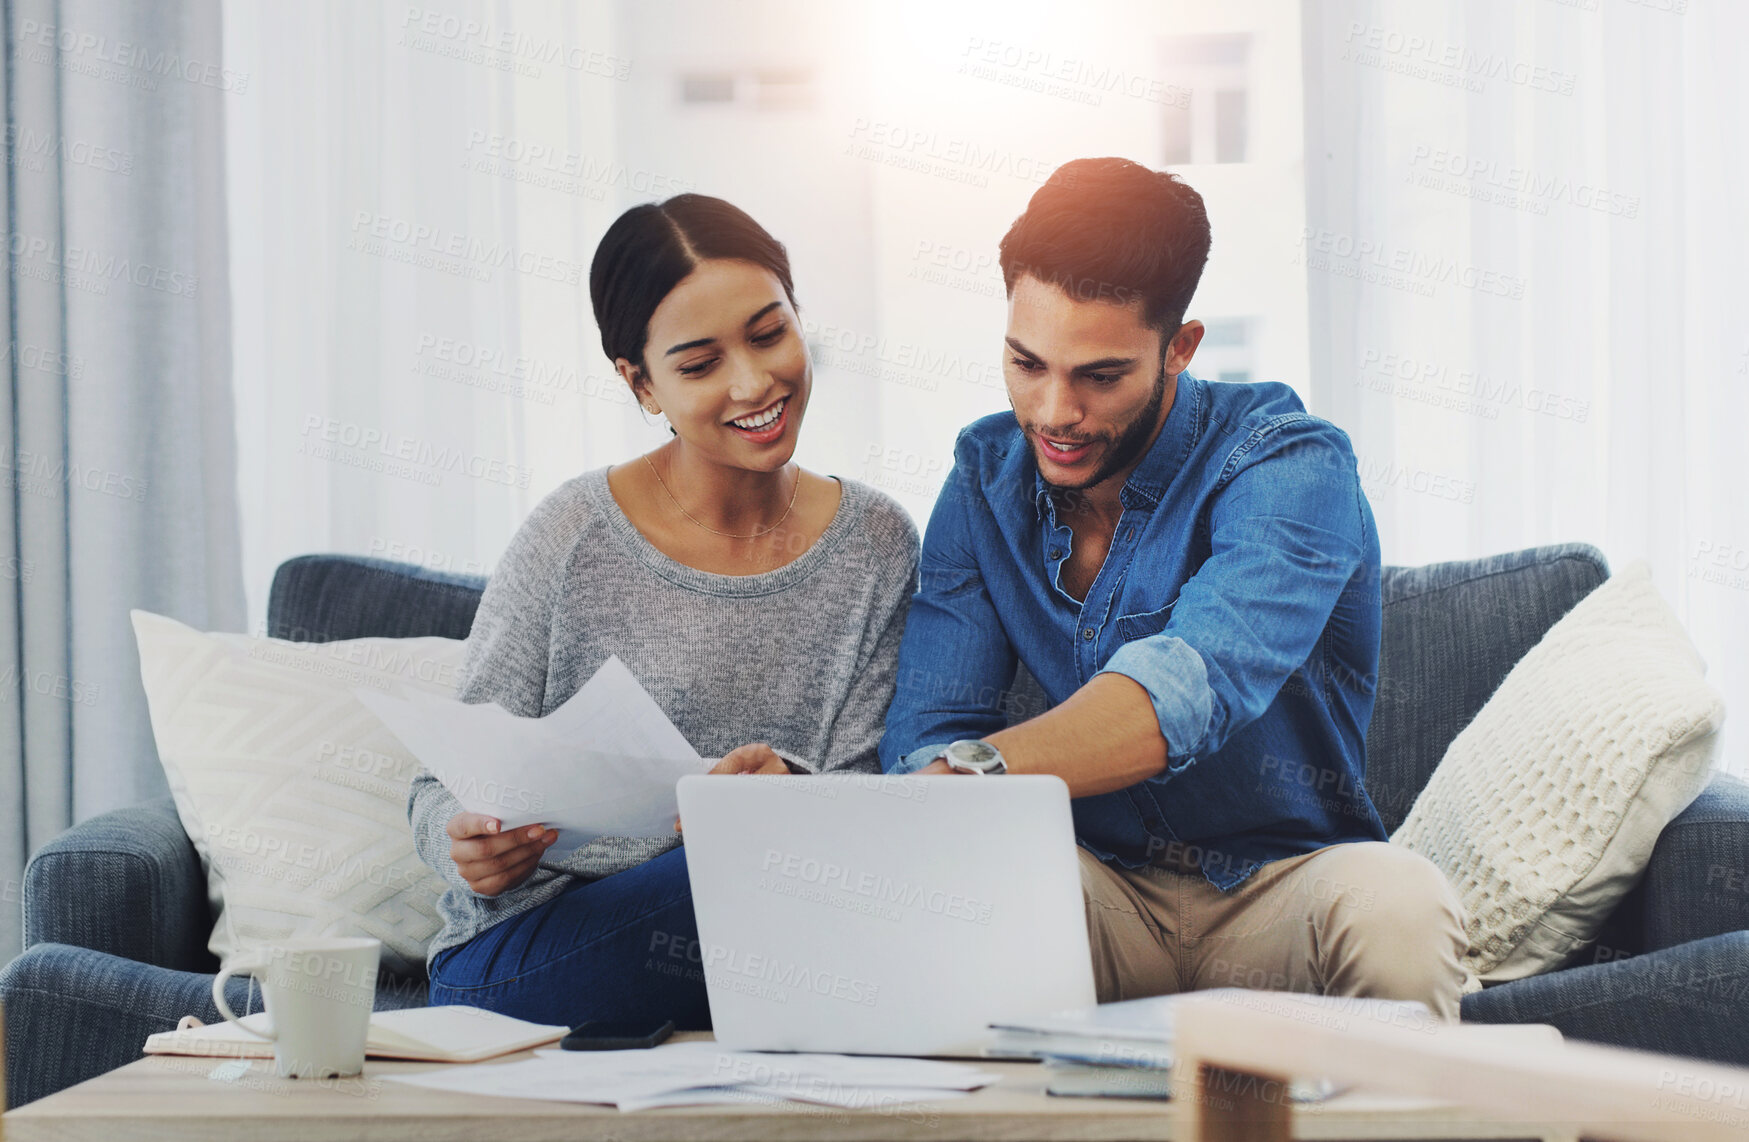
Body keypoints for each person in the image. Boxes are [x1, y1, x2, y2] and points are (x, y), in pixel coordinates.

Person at [879, 157, 1468, 1020]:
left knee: (1402, 908)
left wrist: (975, 772)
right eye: (1026, 362)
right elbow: (928, 730)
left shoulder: (1291, 462)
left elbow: (1189, 686)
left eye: (1099, 375)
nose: (1051, 412)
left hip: (1280, 889)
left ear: (1180, 348)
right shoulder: (982, 475)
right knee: (954, 888)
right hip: (1091, 894)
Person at [408, 193, 920, 1029]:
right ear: (640, 383)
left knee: (841, 868)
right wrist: (464, 843)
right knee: (750, 875)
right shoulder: (572, 533)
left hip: (779, 912)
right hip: (524, 957)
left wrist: (789, 792)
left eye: (768, 333)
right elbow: (440, 788)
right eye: (698, 364)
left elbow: (869, 796)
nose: (753, 383)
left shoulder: (875, 541)